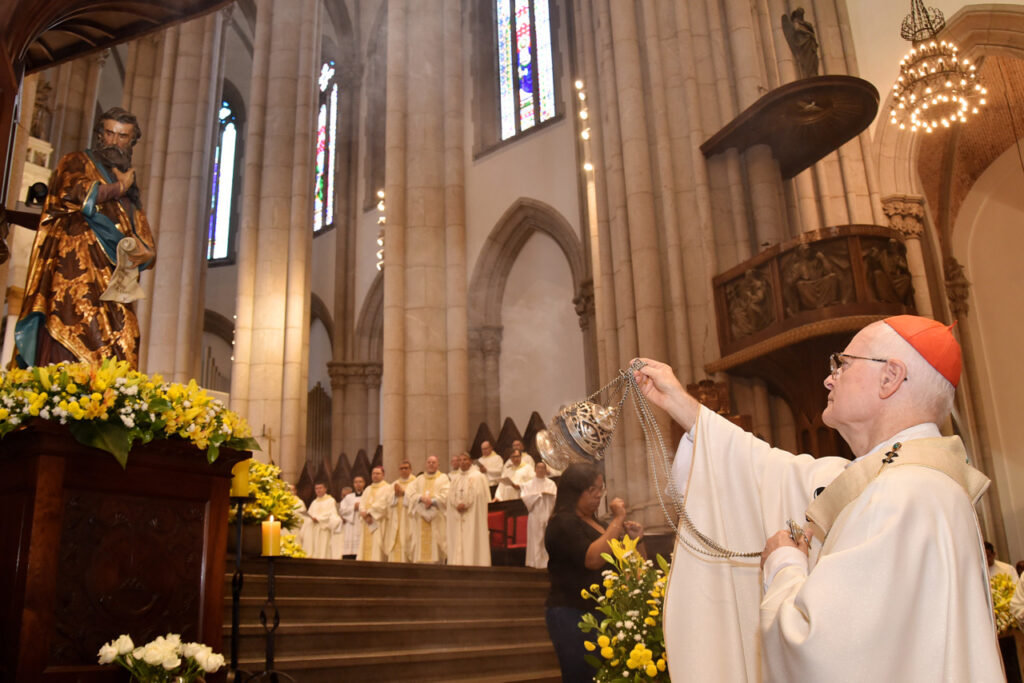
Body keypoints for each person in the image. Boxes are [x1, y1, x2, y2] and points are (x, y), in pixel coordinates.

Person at [634, 315, 1002, 682]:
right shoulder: (905, 481)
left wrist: (784, 564)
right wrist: (683, 406)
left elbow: (822, 650)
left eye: (842, 364)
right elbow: (768, 470)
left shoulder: (902, 494)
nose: (829, 378)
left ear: (889, 377)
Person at [13, 107, 156, 369]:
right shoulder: (77, 161)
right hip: (73, 272)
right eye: (109, 133)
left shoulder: (128, 187)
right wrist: (118, 188)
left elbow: (143, 237)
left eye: (123, 136)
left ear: (132, 142)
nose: (114, 141)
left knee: (126, 340)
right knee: (73, 330)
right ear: (100, 135)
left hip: (114, 282)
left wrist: (143, 253)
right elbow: (76, 192)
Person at [543, 463, 644, 683]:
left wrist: (637, 540)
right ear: (574, 492)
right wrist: (617, 521)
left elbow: (631, 563)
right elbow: (593, 559)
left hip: (605, 613)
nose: (599, 495)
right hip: (573, 613)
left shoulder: (599, 524)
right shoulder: (562, 524)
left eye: (601, 488)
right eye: (592, 490)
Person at [447, 452, 491, 566]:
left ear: (470, 461)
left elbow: (480, 496)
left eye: (465, 459)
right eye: (460, 460)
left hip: (472, 516)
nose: (462, 462)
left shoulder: (478, 477)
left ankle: (473, 563)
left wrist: (465, 504)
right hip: (458, 516)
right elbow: (450, 495)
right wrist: (456, 504)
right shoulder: (455, 478)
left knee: (472, 539)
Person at [405, 454, 450, 563]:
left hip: (437, 519)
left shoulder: (443, 478)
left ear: (438, 464)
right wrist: (421, 498)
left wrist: (433, 501)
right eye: (429, 462)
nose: (431, 464)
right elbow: (409, 493)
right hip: (421, 519)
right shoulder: (419, 479)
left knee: (436, 543)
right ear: (425, 464)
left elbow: (447, 494)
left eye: (433, 462)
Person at [520, 461, 557, 568]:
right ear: (535, 470)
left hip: (547, 514)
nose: (540, 470)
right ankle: (534, 563)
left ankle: (546, 563)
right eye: (538, 468)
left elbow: (556, 498)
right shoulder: (528, 484)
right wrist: (538, 496)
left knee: (545, 539)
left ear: (546, 470)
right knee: (535, 539)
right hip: (535, 514)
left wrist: (547, 496)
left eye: (542, 468)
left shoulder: (551, 484)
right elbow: (525, 497)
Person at [357, 466, 392, 562]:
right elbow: (362, 503)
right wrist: (363, 513)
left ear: (383, 475)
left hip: (378, 522)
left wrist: (369, 513)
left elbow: (383, 504)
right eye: (373, 473)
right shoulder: (368, 489)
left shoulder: (388, 488)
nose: (375, 476)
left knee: (377, 547)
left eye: (378, 473)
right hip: (367, 523)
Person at [385, 460, 417, 562]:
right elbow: (387, 501)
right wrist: (394, 495)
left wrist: (404, 493)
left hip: (409, 520)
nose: (403, 470)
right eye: (401, 468)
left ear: (411, 470)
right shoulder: (394, 484)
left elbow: (417, 499)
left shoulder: (415, 482)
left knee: (408, 542)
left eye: (406, 468)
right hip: (396, 520)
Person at [305, 482, 341, 559]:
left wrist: (318, 519)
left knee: (323, 548)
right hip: (314, 530)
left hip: (324, 529)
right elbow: (309, 515)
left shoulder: (330, 500)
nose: (318, 490)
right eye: (316, 488)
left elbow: (332, 515)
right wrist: (311, 519)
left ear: (325, 489)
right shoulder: (314, 502)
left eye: (320, 488)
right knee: (315, 548)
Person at [338, 479, 364, 560]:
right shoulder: (348, 497)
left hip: (362, 524)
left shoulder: (367, 495)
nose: (358, 484)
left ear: (364, 483)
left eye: (360, 482)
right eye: (356, 482)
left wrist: (361, 508)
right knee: (349, 552)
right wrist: (353, 507)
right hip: (350, 527)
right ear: (353, 484)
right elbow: (342, 510)